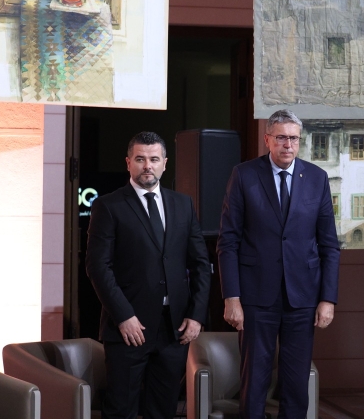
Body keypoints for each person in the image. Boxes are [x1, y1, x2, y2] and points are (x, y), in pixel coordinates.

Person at [218, 109, 341, 419]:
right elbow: (228, 241)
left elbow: (329, 244)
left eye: (294, 139)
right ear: (268, 139)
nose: (288, 145)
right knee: (255, 381)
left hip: (302, 298)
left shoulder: (316, 178)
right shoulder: (244, 175)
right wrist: (231, 298)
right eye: (282, 138)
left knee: (296, 383)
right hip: (256, 297)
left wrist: (327, 299)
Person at [86, 132, 211, 419]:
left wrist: (197, 315)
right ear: (128, 163)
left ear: (164, 164)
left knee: (164, 409)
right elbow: (97, 267)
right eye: (140, 159)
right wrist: (123, 316)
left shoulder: (183, 204)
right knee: (121, 409)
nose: (147, 166)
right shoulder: (108, 205)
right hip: (129, 329)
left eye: (154, 159)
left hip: (174, 328)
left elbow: (201, 264)